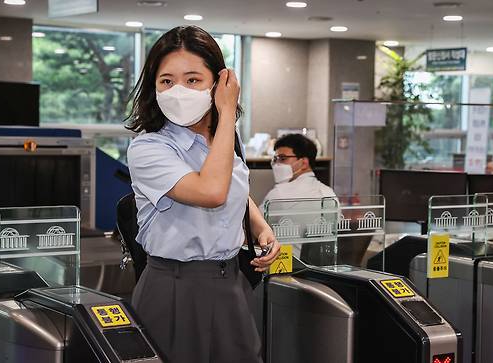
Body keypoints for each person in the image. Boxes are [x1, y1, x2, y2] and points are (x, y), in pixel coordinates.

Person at [125, 26, 280, 363]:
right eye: (167, 81)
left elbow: (233, 186)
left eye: (192, 79)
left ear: (218, 82)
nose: (178, 90)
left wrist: (259, 226)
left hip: (229, 282)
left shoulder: (223, 140)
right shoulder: (149, 148)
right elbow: (210, 191)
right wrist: (226, 115)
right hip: (174, 286)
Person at [260, 134, 336, 264]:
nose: (277, 164)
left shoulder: (278, 195)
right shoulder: (330, 194)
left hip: (283, 269)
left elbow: (252, 230)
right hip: (321, 273)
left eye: (282, 158)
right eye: (275, 159)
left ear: (304, 162)